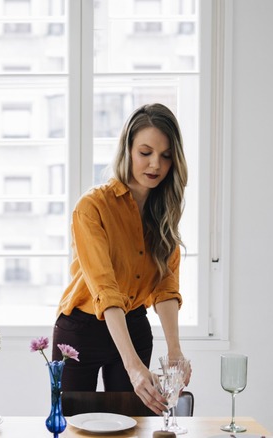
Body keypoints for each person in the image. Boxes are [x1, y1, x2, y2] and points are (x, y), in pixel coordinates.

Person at [51, 103, 191, 415]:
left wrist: (175, 352)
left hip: (133, 324)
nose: (155, 164)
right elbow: (105, 290)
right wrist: (134, 366)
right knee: (74, 428)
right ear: (127, 149)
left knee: (133, 426)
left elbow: (166, 288)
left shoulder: (163, 214)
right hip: (80, 331)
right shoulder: (91, 207)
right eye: (146, 152)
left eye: (166, 155)